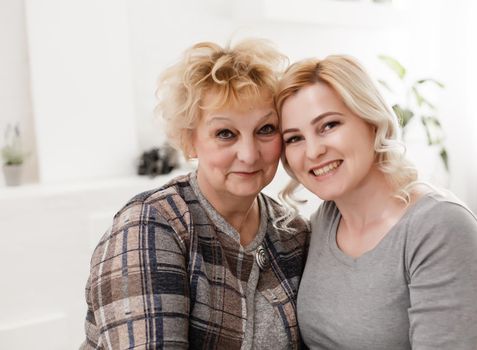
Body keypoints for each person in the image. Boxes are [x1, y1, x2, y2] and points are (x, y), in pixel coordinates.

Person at [80, 39, 309, 349]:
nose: (249, 154)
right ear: (190, 141)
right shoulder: (152, 225)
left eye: (265, 129)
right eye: (225, 133)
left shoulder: (292, 232)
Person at [275, 55, 477, 349]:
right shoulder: (325, 220)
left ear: (371, 120)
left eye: (328, 125)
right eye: (294, 138)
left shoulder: (440, 227)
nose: (313, 151)